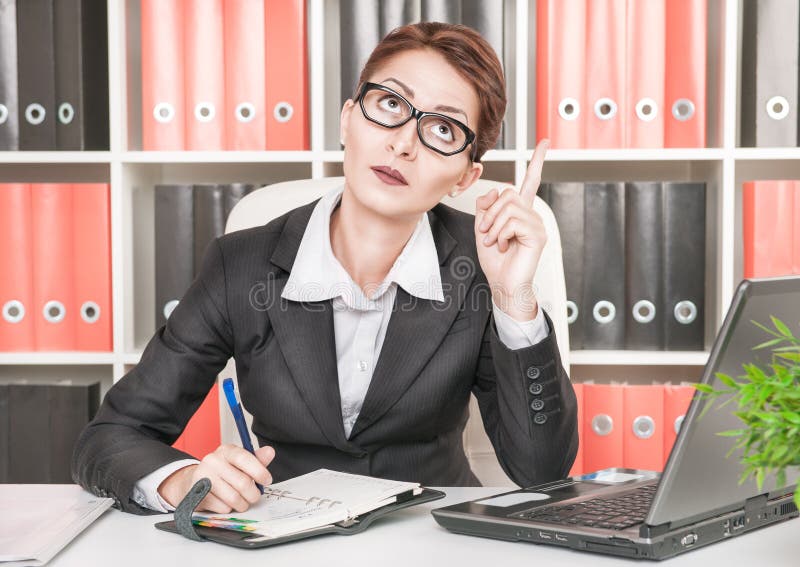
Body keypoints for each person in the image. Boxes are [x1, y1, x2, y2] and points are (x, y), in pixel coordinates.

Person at [72, 21, 578, 515]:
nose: (403, 143)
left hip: (429, 540)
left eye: (442, 128)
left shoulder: (483, 266)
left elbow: (542, 470)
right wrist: (181, 480)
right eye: (390, 105)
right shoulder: (241, 264)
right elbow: (111, 436)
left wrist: (515, 298)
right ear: (348, 119)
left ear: (464, 177)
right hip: (284, 542)